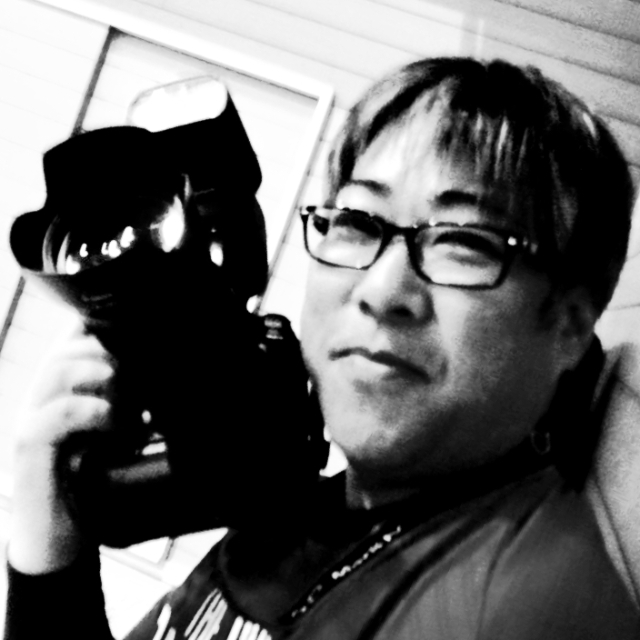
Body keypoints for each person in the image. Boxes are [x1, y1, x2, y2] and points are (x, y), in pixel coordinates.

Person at [4, 56, 640, 639]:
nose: (382, 290)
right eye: (359, 223)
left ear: (568, 325)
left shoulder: (522, 604)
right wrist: (47, 540)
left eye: (464, 242)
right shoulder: (303, 515)